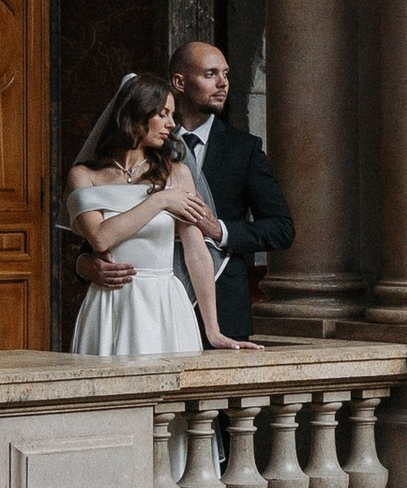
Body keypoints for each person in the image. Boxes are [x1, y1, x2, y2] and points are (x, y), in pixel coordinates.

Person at [75, 39, 291, 345]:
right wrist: (83, 264)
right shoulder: (124, 159)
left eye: (226, 75)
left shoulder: (245, 149)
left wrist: (218, 230)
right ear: (180, 82)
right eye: (210, 74)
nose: (223, 84)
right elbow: (101, 232)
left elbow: (282, 229)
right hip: (122, 301)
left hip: (217, 306)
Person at [66, 70, 246, 359]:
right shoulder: (84, 176)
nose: (171, 125)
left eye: (172, 115)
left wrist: (212, 330)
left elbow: (197, 253)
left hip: (165, 303)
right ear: (136, 113)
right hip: (110, 303)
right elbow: (100, 238)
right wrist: (159, 201)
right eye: (162, 114)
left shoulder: (178, 174)